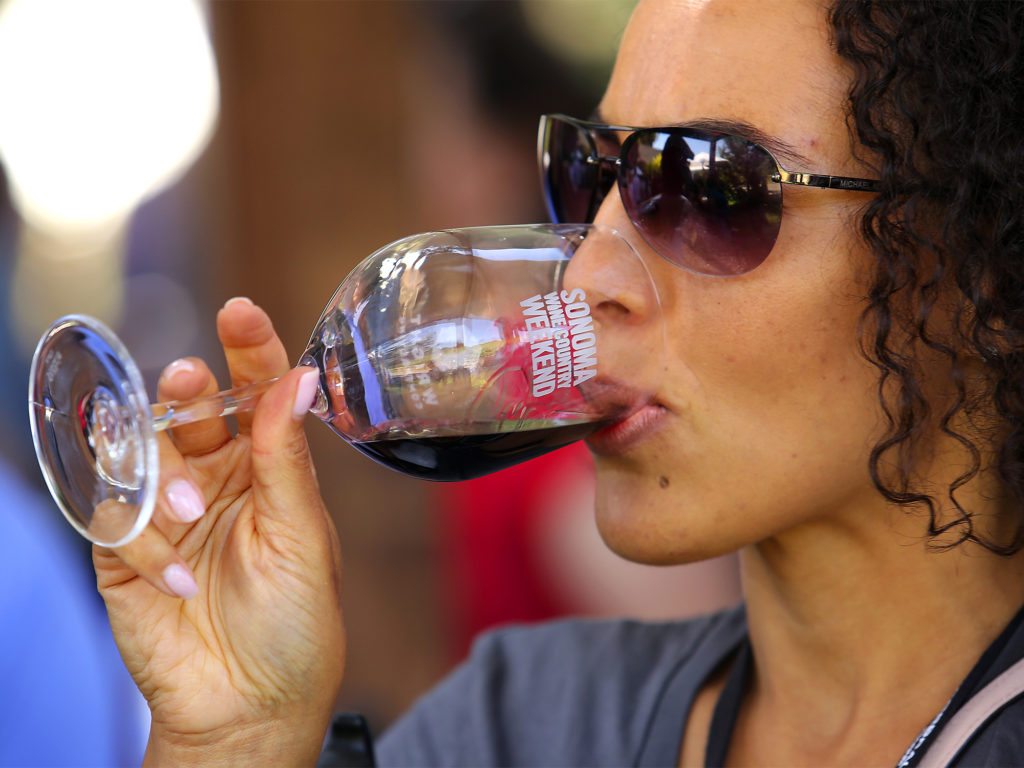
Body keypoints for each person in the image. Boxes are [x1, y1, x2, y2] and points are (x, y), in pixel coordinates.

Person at [89, 0, 1024, 765]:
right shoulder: (522, 725)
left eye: (709, 189)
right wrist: (239, 740)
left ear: (985, 263)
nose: (585, 275)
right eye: (591, 174)